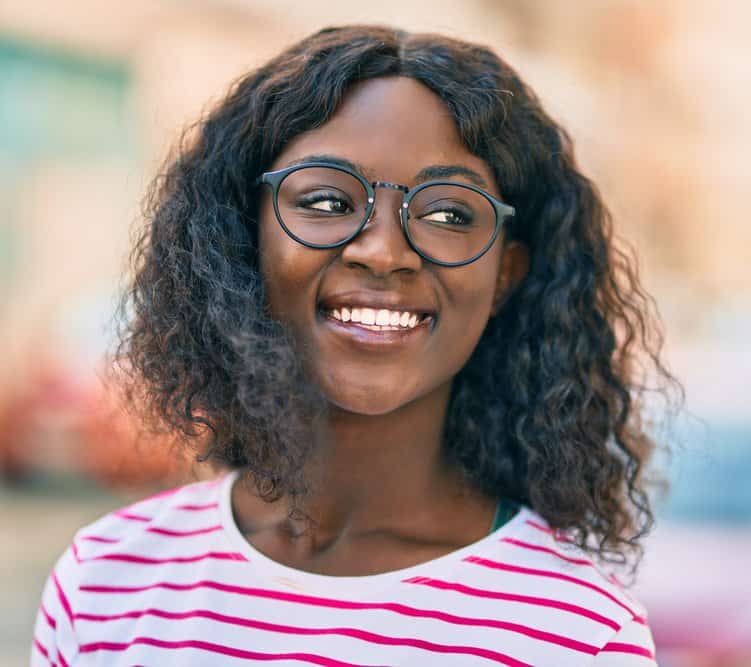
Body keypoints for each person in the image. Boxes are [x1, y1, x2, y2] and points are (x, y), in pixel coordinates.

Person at [31, 25, 673, 666]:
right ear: (244, 239)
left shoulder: (581, 635)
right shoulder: (108, 584)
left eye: (449, 214)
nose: (383, 252)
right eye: (328, 199)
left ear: (506, 272)